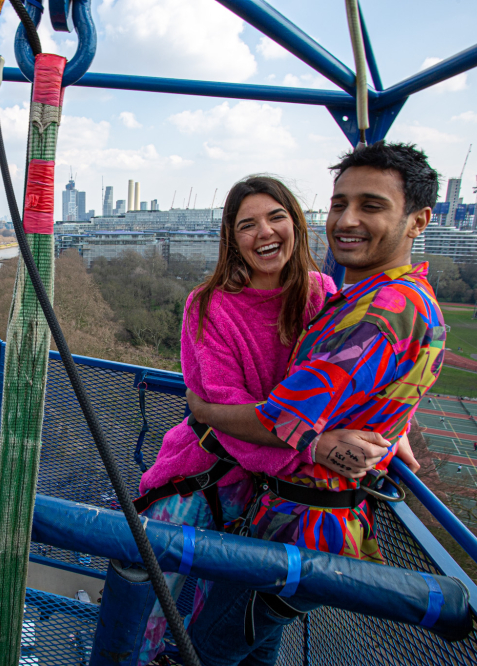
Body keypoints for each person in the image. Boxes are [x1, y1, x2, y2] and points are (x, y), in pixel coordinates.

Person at [186, 142, 442, 665]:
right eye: (339, 204)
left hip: (301, 531)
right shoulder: (378, 299)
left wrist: (205, 412)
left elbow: (278, 420)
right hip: (304, 522)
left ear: (418, 221)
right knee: (253, 650)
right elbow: (383, 384)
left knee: (198, 651)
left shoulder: (378, 312)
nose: (347, 220)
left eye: (371, 206)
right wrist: (395, 425)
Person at [133, 175, 361, 665]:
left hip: (272, 493)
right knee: (150, 598)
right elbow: (226, 411)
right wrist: (314, 448)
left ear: (296, 224)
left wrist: (392, 429)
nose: (264, 232)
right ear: (232, 240)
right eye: (247, 225)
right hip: (204, 474)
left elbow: (356, 374)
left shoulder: (321, 294)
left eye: (276, 217)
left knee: (246, 617)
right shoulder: (210, 304)